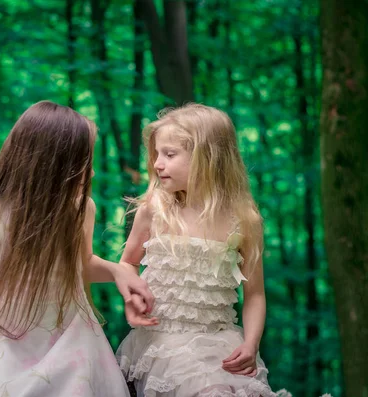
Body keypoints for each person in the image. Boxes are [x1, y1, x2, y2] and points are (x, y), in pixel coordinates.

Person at [0, 100, 155, 397]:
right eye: (85, 163)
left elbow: (80, 265)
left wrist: (117, 270)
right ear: (56, 164)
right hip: (8, 343)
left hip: (72, 339)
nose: (94, 173)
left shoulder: (82, 209)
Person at [116, 104, 291, 397]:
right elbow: (127, 264)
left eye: (170, 155)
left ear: (208, 158)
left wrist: (251, 344)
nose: (158, 164)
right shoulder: (155, 210)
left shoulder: (244, 220)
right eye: (157, 154)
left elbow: (256, 294)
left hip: (218, 341)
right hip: (164, 338)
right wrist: (132, 299)